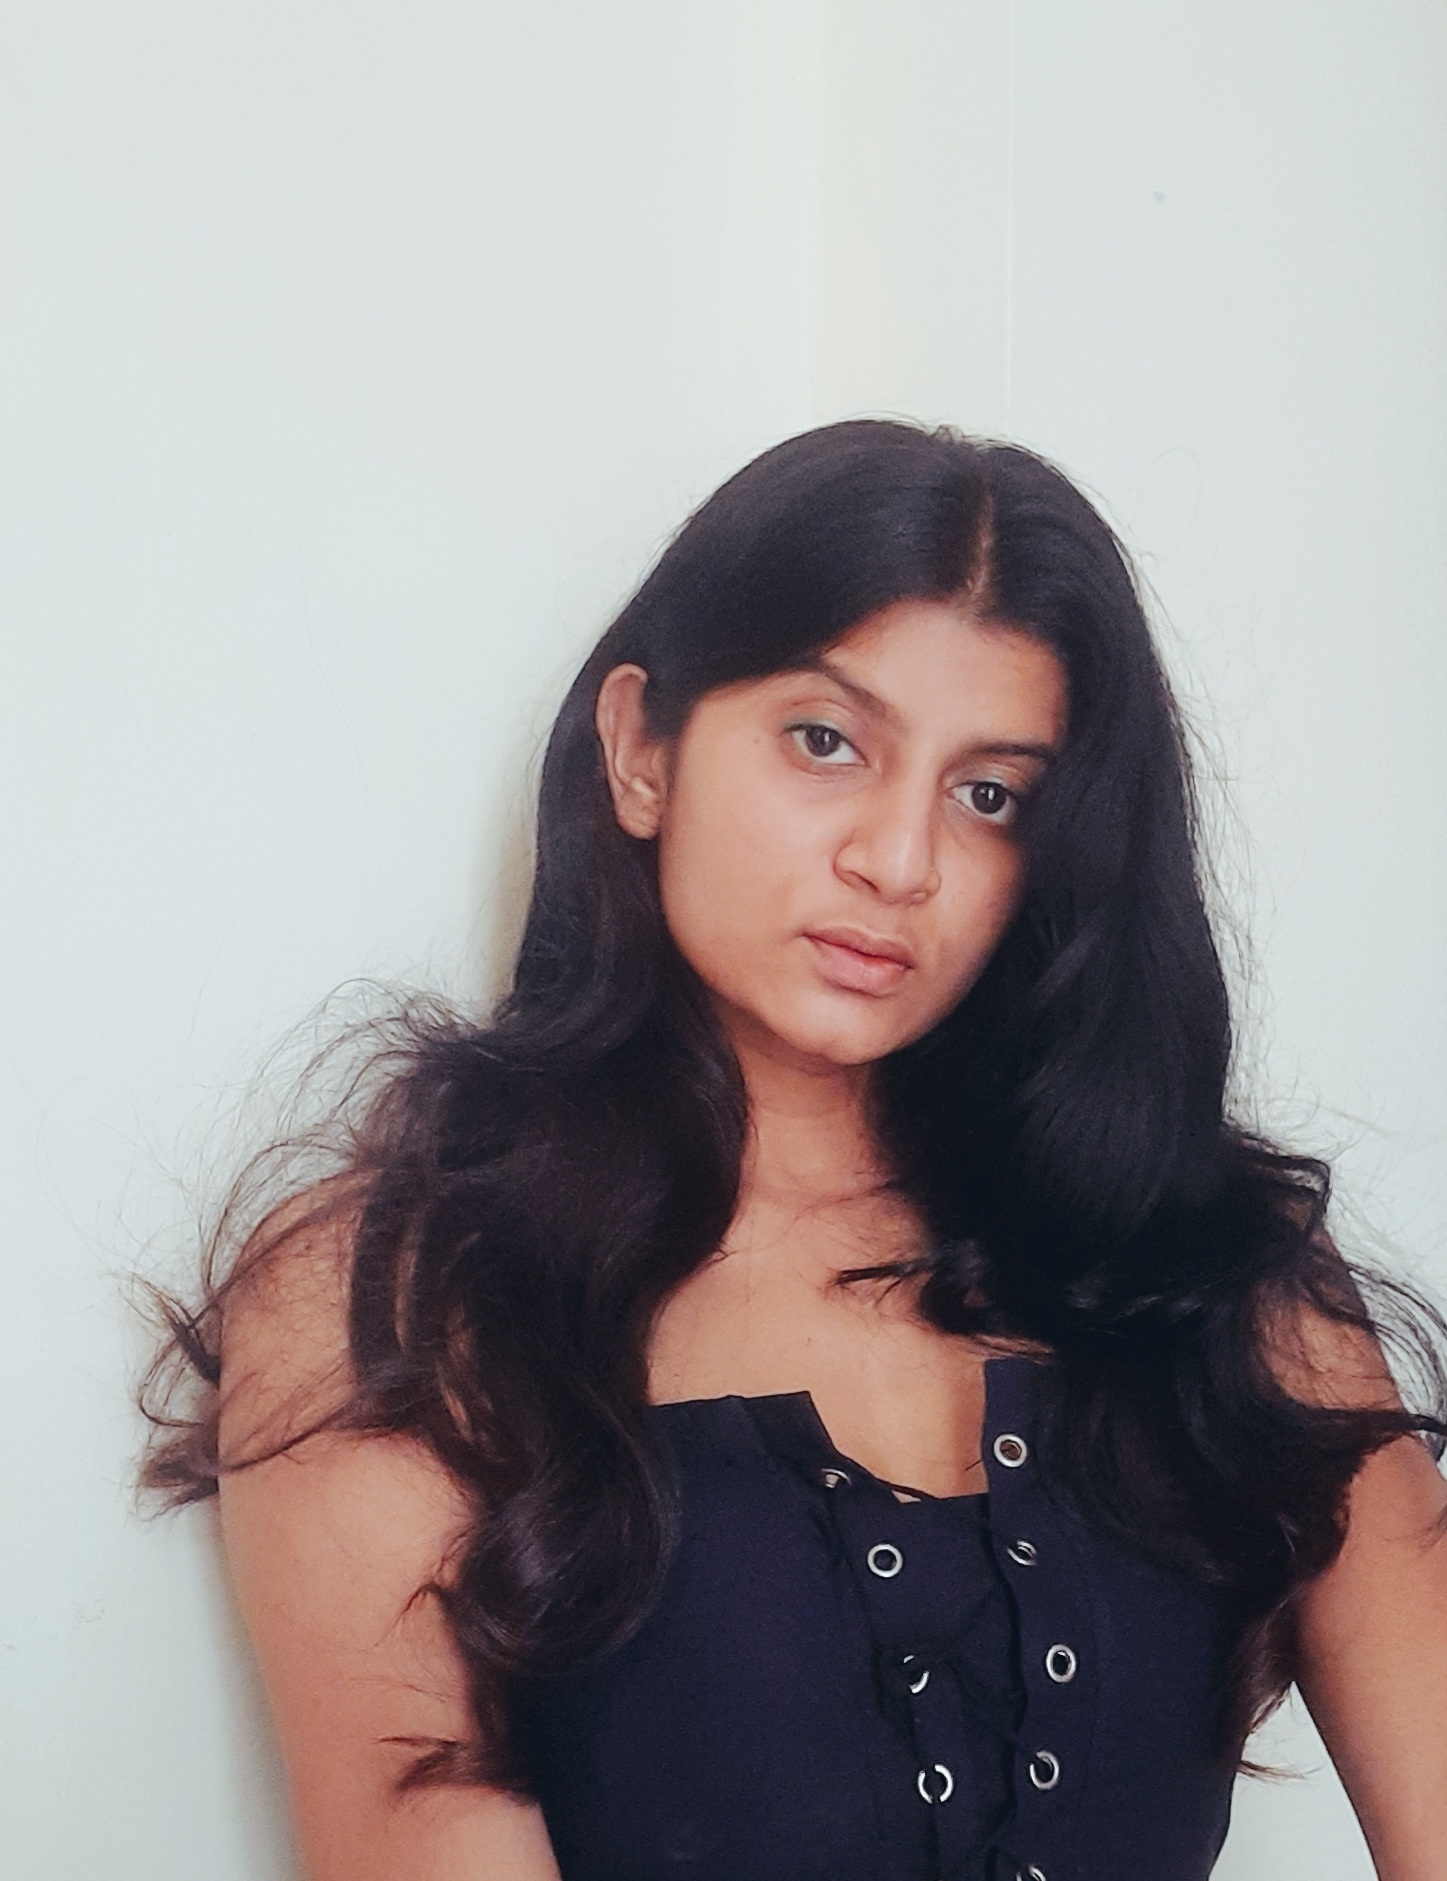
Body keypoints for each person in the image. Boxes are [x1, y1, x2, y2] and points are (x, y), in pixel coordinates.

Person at [142, 420, 1447, 1881]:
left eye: (990, 794)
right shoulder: (395, 1301)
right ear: (642, 749)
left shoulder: (1221, 1275)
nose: (900, 861)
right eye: (827, 741)